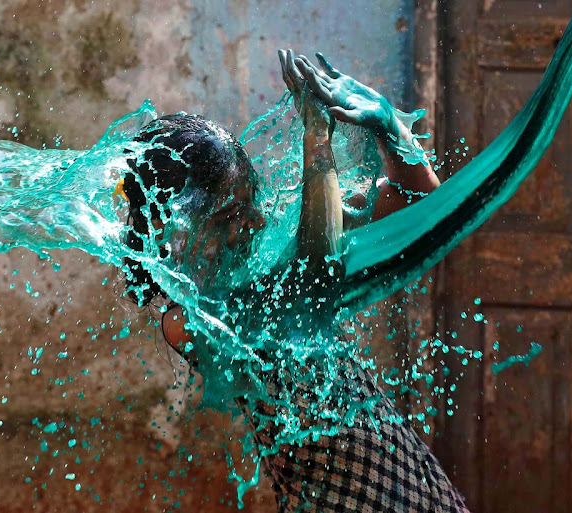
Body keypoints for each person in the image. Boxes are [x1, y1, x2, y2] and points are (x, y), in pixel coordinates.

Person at [121, 49, 468, 512]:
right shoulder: (188, 322)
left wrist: (391, 130)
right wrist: (317, 143)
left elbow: (423, 204)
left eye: (252, 202)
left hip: (422, 492)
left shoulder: (279, 244)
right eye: (230, 215)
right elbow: (311, 284)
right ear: (176, 234)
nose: (256, 222)